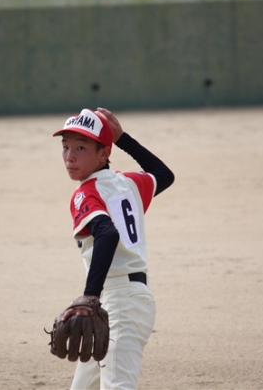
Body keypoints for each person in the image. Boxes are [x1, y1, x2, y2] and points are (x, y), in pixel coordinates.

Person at [52, 107, 175, 390]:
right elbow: (163, 174)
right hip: (124, 301)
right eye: (66, 147)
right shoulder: (129, 183)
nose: (70, 156)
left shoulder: (86, 193)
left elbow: (107, 234)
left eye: (81, 147)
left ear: (103, 154)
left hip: (120, 302)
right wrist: (123, 139)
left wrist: (90, 296)